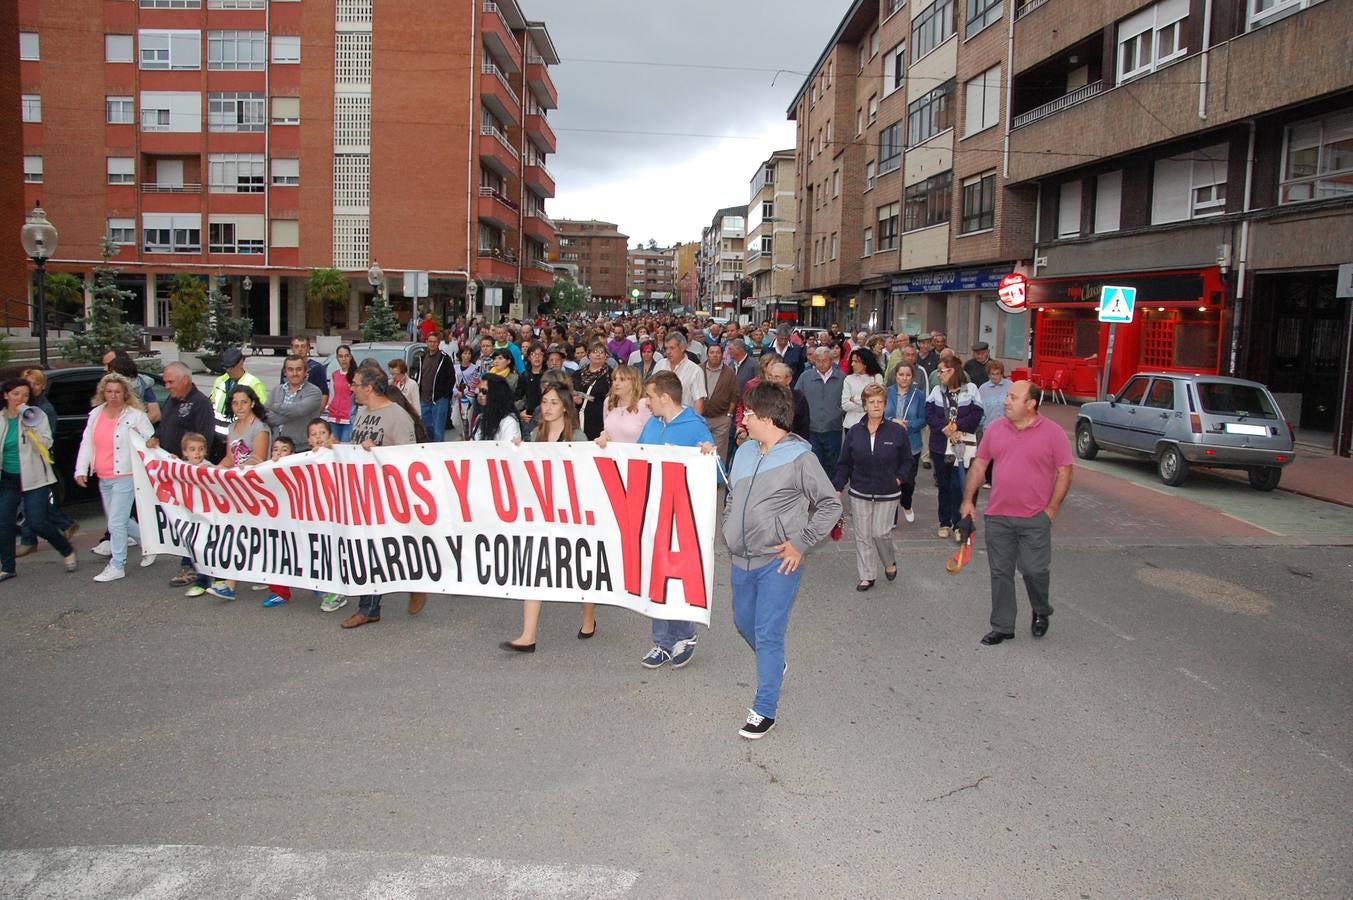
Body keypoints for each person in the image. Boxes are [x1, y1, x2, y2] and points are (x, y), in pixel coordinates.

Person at [725, 381, 841, 739]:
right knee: (744, 623)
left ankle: (764, 709)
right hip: (740, 558)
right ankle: (774, 666)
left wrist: (800, 543)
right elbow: (732, 495)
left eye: (748, 413)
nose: (742, 418)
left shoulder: (800, 458)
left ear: (768, 418)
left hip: (778, 562)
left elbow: (830, 505)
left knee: (768, 633)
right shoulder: (744, 450)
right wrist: (729, 523)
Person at [960, 381, 1073, 646]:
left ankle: (1041, 609)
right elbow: (980, 464)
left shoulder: (1053, 433)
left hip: (1035, 517)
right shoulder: (996, 428)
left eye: (1013, 397)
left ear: (1031, 403)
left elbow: (1065, 471)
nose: (1006, 401)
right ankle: (1002, 626)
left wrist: (1051, 509)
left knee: (1034, 570)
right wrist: (968, 501)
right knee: (1000, 572)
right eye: (1007, 396)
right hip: (998, 515)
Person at [500, 382, 592, 651]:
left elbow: (587, 476)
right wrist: (517, 451)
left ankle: (589, 617)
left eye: (554, 402)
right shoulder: (534, 437)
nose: (548, 407)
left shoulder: (577, 438)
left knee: (581, 569)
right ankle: (528, 636)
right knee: (533, 569)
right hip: (539, 514)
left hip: (570, 515)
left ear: (565, 406)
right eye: (545, 402)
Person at [633, 371, 715, 670]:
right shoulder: (652, 424)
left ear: (665, 398)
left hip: (683, 514)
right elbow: (636, 457)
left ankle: (685, 635)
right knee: (657, 576)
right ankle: (662, 642)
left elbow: (716, 473)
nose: (646, 401)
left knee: (678, 576)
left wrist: (708, 455)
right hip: (654, 511)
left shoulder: (695, 427)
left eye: (650, 396)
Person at [342, 365, 422, 629]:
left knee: (383, 549)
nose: (350, 388)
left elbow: (408, 459)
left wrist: (379, 452)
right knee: (368, 549)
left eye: (354, 384)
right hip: (362, 492)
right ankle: (370, 607)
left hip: (386, 494)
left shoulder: (397, 417)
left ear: (368, 387)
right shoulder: (362, 412)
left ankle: (415, 581)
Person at [74, 373, 155, 582]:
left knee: (116, 523)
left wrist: (147, 440)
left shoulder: (135, 415)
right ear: (103, 393)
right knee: (118, 520)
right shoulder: (95, 414)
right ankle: (149, 544)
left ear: (125, 393)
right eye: (109, 391)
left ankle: (117, 564)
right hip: (104, 475)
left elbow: (150, 438)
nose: (113, 395)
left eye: (118, 391)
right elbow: (87, 443)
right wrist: (81, 470)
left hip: (125, 475)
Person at [833, 384, 910, 591]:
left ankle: (889, 562)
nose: (876, 405)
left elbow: (907, 461)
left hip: (888, 491)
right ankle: (867, 575)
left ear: (885, 405)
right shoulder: (855, 432)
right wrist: (838, 487)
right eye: (872, 402)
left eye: (880, 402)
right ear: (865, 405)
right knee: (862, 534)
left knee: (880, 532)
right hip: (860, 491)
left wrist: (899, 479)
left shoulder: (897, 431)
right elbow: (844, 463)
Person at [0, 378, 78, 580]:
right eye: (16, 394)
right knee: (4, 523)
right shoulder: (0, 418)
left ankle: (66, 549)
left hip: (35, 478)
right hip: (8, 479)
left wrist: (30, 427)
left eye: (25, 395)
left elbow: (46, 443)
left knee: (37, 521)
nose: (21, 399)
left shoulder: (36, 415)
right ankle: (8, 566)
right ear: (5, 395)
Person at [202, 386, 271, 601]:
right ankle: (252, 576)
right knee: (243, 532)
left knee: (242, 532)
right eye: (235, 403)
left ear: (252, 403)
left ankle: (230, 583)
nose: (239, 406)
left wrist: (235, 473)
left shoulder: (259, 428)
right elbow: (230, 458)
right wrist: (216, 469)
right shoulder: (232, 428)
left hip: (254, 486)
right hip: (236, 486)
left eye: (243, 402)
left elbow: (258, 458)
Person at [14, 368, 78, 557]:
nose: (32, 387)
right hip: (21, 463)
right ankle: (65, 524)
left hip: (38, 462)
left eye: (36, 383)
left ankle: (29, 540)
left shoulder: (43, 409)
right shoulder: (19, 406)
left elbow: (44, 439)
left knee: (29, 506)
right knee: (31, 504)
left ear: (42, 387)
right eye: (28, 383)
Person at [925, 357, 982, 540]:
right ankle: (944, 522)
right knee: (944, 485)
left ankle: (959, 524)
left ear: (952, 371)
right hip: (940, 446)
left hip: (962, 445)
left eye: (941, 371)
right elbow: (929, 413)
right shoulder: (936, 391)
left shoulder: (971, 389)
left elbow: (977, 414)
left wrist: (957, 427)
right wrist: (944, 428)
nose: (938, 374)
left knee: (959, 485)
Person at [884, 362, 926, 524]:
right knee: (891, 480)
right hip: (890, 443)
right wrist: (892, 421)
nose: (904, 378)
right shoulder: (887, 392)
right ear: (895, 375)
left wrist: (908, 424)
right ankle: (892, 516)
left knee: (908, 480)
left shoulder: (919, 394)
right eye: (901, 374)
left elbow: (923, 419)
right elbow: (880, 414)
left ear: (912, 377)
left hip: (911, 443)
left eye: (908, 375)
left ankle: (906, 503)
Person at [795, 345, 846, 476]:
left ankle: (832, 492)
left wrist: (838, 413)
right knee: (813, 464)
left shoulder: (842, 378)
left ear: (831, 360)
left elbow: (846, 402)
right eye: (818, 361)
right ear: (813, 360)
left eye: (825, 360)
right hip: (811, 429)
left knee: (832, 464)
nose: (821, 364)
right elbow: (797, 401)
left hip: (833, 428)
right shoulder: (805, 377)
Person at [267, 355, 324, 447]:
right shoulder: (276, 390)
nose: (295, 373)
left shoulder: (314, 392)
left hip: (302, 448)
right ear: (285, 372)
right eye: (290, 369)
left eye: (299, 369)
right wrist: (292, 412)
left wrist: (274, 406)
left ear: (305, 371)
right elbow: (266, 416)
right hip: (277, 448)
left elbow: (299, 410)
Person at [411, 332, 455, 442]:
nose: (432, 344)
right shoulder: (421, 358)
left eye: (434, 342)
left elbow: (451, 378)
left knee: (438, 430)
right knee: (426, 428)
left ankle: (439, 454)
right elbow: (415, 375)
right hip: (423, 399)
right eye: (430, 341)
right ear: (426, 342)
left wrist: (444, 394)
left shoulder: (444, 359)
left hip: (439, 400)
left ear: (438, 343)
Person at [651, 332, 707, 416]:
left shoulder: (695, 371)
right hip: (660, 419)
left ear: (682, 348)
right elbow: (652, 390)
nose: (668, 352)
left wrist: (694, 424)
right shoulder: (660, 364)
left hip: (683, 420)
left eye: (672, 348)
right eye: (666, 348)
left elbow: (699, 402)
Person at [701, 343, 738, 464]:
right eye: (712, 353)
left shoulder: (729, 373)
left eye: (717, 353)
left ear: (722, 355)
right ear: (707, 355)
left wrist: (729, 414)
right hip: (701, 418)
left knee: (719, 453)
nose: (715, 355)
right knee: (700, 450)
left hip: (721, 419)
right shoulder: (698, 369)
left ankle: (719, 480)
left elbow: (734, 395)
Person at [103, 349, 161, 425]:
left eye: (109, 364)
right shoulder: (103, 383)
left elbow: (155, 414)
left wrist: (130, 428)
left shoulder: (142, 383)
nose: (105, 368)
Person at [209, 348, 267, 422]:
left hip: (241, 430)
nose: (228, 370)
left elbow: (261, 411)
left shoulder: (254, 383)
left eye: (231, 366)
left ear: (241, 363)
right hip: (217, 429)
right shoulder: (219, 381)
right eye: (226, 367)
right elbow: (212, 403)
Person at [600, 364, 651, 443]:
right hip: (612, 453)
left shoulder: (644, 404)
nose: (616, 383)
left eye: (622, 379)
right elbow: (606, 430)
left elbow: (650, 435)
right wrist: (603, 436)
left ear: (634, 382)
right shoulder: (608, 402)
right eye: (614, 379)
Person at [571, 341, 612, 440]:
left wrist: (585, 397)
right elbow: (570, 391)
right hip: (578, 418)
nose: (598, 354)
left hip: (599, 420)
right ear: (588, 354)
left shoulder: (611, 375)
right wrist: (574, 398)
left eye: (601, 352)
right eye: (595, 351)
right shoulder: (577, 374)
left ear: (606, 355)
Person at [841, 348, 884, 432]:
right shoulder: (848, 379)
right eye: (852, 361)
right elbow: (845, 405)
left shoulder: (877, 378)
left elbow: (878, 402)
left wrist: (854, 399)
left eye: (856, 361)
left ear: (865, 363)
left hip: (872, 424)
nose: (852, 364)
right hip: (851, 425)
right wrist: (867, 404)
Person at [280, 336, 330, 403]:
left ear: (308, 348)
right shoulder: (287, 367)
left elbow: (324, 393)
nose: (300, 349)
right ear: (292, 349)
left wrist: (318, 412)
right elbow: (281, 391)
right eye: (296, 346)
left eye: (303, 346)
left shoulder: (317, 368)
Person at [323, 345, 356, 442]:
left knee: (345, 445)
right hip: (334, 416)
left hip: (349, 418)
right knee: (334, 446)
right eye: (340, 356)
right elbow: (332, 395)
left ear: (350, 357)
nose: (344, 359)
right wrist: (329, 407)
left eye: (346, 356)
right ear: (337, 358)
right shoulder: (335, 374)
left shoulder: (356, 375)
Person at [474, 375, 521, 442]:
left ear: (496, 393)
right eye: (479, 391)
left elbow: (510, 450)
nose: (480, 395)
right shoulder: (480, 417)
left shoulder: (509, 422)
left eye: (484, 391)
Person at [515, 342, 547, 430]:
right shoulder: (524, 376)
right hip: (528, 418)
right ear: (528, 357)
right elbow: (517, 397)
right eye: (533, 354)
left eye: (540, 354)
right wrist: (521, 413)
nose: (537, 357)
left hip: (545, 416)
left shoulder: (549, 375)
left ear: (544, 357)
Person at [452, 345, 480, 436]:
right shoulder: (455, 367)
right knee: (455, 420)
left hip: (469, 398)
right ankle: (461, 435)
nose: (467, 356)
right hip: (457, 397)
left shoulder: (474, 368)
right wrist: (456, 392)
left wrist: (466, 392)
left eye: (469, 353)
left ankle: (466, 437)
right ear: (460, 355)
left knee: (467, 419)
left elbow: (474, 382)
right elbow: (451, 382)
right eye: (465, 353)